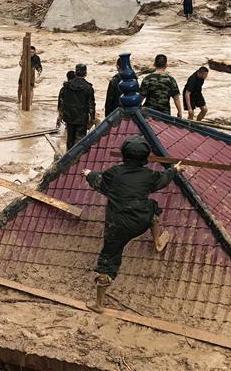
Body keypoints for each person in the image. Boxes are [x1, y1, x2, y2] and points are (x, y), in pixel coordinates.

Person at [80, 135, 179, 311]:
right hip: (141, 220)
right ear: (146, 158)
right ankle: (157, 241)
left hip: (117, 226)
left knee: (108, 260)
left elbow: (99, 180)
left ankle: (99, 304)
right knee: (152, 206)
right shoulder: (149, 175)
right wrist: (175, 170)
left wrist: (88, 174)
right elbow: (164, 178)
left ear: (123, 155)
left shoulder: (114, 173)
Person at [57, 63, 96, 151]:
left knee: (70, 139)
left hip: (69, 116)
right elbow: (91, 104)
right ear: (85, 73)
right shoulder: (88, 88)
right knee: (80, 140)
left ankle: (68, 159)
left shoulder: (67, 86)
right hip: (81, 118)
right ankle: (78, 160)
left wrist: (60, 115)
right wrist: (92, 118)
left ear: (75, 73)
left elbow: (61, 101)